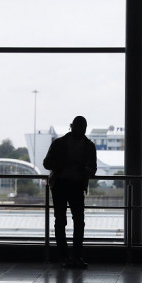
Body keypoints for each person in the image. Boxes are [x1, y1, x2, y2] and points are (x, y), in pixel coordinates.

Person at [43, 115, 97, 269]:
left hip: (60, 184)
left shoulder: (59, 143)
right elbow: (92, 169)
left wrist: (62, 165)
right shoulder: (89, 146)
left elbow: (47, 163)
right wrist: (82, 169)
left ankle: (65, 257)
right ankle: (76, 256)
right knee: (78, 221)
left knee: (61, 221)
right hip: (77, 185)